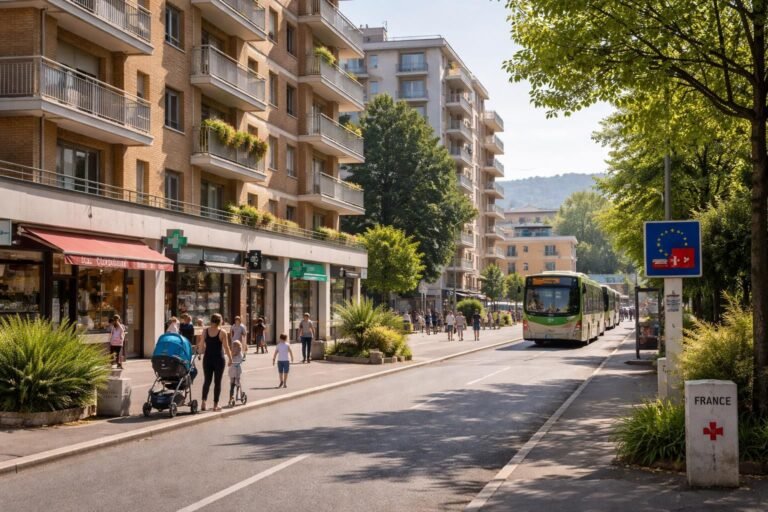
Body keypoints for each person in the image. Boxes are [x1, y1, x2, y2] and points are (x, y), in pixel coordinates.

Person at [197, 313, 233, 412]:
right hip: (219, 359)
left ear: (211, 320)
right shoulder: (222, 332)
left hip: (207, 358)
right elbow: (226, 347)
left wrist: (200, 353)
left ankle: (203, 403)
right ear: (220, 321)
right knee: (217, 382)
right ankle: (215, 405)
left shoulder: (205, 331)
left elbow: (201, 344)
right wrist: (230, 359)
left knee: (207, 381)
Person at [228, 339, 244, 406]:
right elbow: (229, 362)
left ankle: (238, 394)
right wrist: (229, 362)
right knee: (232, 384)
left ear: (239, 347)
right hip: (232, 370)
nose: (234, 347)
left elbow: (241, 359)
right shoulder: (231, 353)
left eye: (235, 346)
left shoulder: (240, 354)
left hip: (237, 370)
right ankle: (231, 397)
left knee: (237, 383)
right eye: (233, 346)